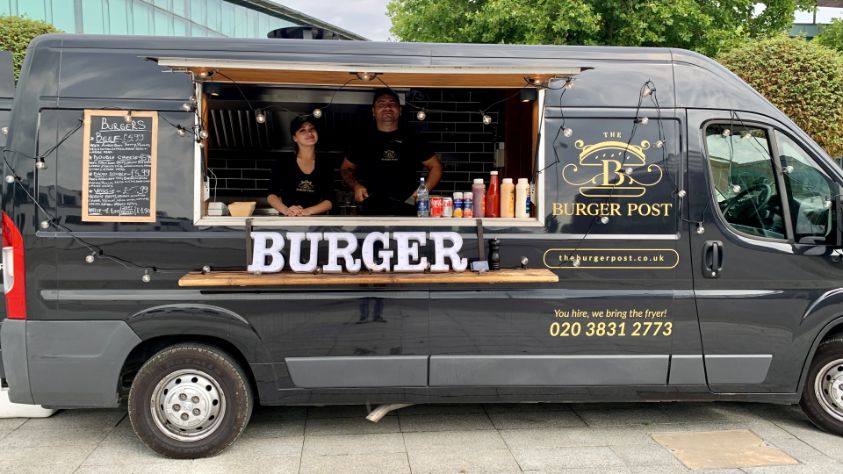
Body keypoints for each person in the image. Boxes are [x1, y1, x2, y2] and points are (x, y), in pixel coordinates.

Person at [341, 89, 443, 216]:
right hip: (372, 207)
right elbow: (346, 168)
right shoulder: (362, 140)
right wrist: (356, 186)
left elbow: (436, 166)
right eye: (381, 103)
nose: (387, 107)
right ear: (373, 111)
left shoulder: (413, 138)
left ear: (400, 110)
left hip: (407, 207)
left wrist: (424, 191)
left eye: (392, 103)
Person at [268, 116, 333, 217]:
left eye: (312, 129)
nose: (309, 133)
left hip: (316, 224)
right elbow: (271, 195)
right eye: (303, 130)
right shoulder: (283, 162)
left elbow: (330, 200)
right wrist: (286, 210)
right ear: (295, 138)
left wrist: (308, 211)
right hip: (288, 220)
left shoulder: (325, 164)